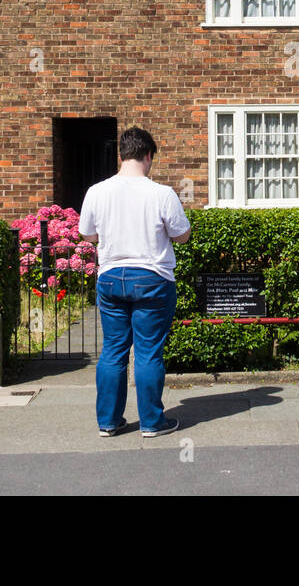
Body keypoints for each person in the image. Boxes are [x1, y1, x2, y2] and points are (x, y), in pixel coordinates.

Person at [79, 127, 191, 438]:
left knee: (113, 349)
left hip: (112, 276)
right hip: (153, 278)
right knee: (148, 352)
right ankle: (152, 423)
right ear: (148, 155)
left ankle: (109, 422)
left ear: (121, 155)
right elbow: (182, 235)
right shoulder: (162, 194)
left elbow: (87, 235)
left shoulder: (96, 192)